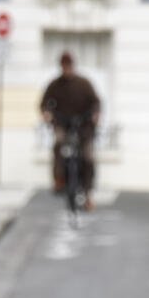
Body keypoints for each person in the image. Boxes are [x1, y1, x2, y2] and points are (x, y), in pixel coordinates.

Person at [40, 52, 102, 208]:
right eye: (63, 65)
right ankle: (59, 179)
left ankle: (88, 194)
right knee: (58, 144)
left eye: (68, 65)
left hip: (84, 127)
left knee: (88, 157)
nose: (66, 68)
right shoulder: (55, 85)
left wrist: (95, 116)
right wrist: (47, 114)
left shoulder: (84, 83)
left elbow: (96, 102)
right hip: (63, 125)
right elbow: (44, 103)